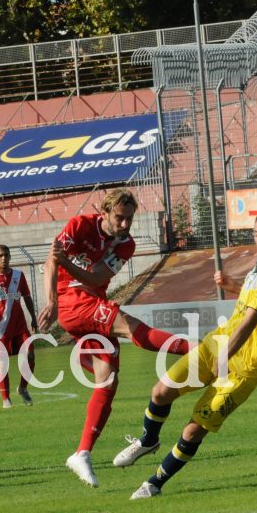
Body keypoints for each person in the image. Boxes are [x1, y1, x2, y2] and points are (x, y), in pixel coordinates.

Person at [115, 209, 257, 499]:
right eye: (255, 233)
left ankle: (154, 483)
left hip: (244, 365)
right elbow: (256, 300)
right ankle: (148, 441)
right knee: (161, 392)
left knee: (194, 429)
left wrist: (224, 359)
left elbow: (251, 321)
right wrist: (234, 287)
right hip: (217, 343)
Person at [38, 188, 191, 487]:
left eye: (129, 219)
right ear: (104, 212)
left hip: (92, 300)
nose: (124, 224)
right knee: (131, 328)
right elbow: (50, 262)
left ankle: (82, 453)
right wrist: (52, 301)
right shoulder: (80, 225)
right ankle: (197, 348)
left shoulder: (126, 244)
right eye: (119, 217)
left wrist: (66, 264)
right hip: (73, 303)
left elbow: (96, 277)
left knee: (107, 379)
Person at [0, 244, 38, 408]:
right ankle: (6, 399)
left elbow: (27, 297)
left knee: (30, 355)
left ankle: (23, 388)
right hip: (1, 329)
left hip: (20, 326)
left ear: (10, 257)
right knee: (3, 362)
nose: (3, 258)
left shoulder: (19, 275)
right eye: (0, 256)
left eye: (6, 255)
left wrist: (33, 318)